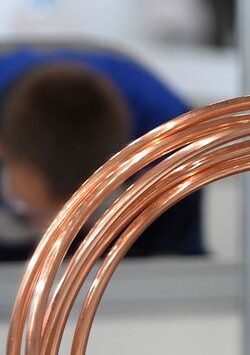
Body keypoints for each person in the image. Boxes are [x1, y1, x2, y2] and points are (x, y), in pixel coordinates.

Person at [0, 45, 205, 259]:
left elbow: (180, 269)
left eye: (78, 216)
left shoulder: (175, 138)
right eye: (34, 214)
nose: (51, 235)